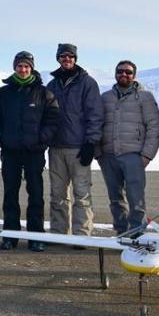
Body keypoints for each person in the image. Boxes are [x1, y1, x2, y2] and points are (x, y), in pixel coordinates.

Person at [0, 51, 60, 251]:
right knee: (10, 194)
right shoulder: (3, 94)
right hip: (10, 151)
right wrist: (0, 138)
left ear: (32, 68)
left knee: (36, 194)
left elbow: (53, 121)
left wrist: (41, 139)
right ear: (14, 67)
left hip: (34, 152)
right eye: (20, 66)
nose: (23, 69)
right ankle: (10, 236)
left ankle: (36, 236)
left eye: (26, 66)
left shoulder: (44, 93)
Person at [96, 60, 159, 237]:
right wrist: (98, 152)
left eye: (128, 72)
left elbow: (154, 126)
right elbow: (97, 123)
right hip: (108, 155)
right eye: (120, 71)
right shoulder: (106, 97)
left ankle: (136, 233)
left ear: (134, 75)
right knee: (115, 197)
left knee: (136, 197)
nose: (124, 75)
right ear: (115, 74)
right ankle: (121, 231)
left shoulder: (145, 97)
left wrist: (147, 154)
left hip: (134, 154)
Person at [46, 43, 103, 237]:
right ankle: (58, 232)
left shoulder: (87, 83)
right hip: (56, 148)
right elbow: (46, 116)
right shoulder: (52, 85)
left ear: (75, 59)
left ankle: (82, 234)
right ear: (58, 59)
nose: (67, 59)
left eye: (70, 56)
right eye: (63, 56)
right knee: (58, 195)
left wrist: (90, 143)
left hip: (79, 147)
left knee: (82, 194)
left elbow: (95, 115)